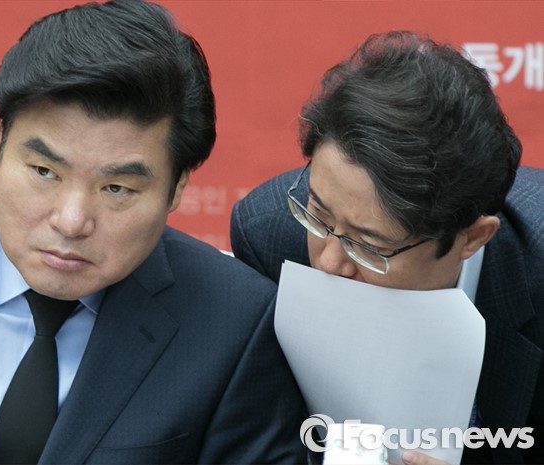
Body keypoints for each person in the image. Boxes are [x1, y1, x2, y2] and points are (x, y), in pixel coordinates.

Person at [0, 1, 307, 463]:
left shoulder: (235, 328)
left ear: (177, 187)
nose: (71, 221)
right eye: (44, 172)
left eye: (117, 188)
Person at [231, 31, 544, 465]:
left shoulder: (536, 270)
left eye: (369, 246)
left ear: (472, 238)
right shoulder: (268, 234)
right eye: (318, 216)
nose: (329, 263)